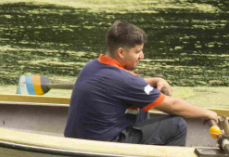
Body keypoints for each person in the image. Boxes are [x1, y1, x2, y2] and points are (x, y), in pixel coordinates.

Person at [64, 21, 217, 146]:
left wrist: (154, 80)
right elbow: (174, 105)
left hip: (76, 142)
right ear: (121, 52)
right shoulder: (127, 81)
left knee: (141, 103)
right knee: (177, 125)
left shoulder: (91, 66)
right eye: (138, 52)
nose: (142, 56)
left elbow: (123, 85)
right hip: (106, 146)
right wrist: (207, 113)